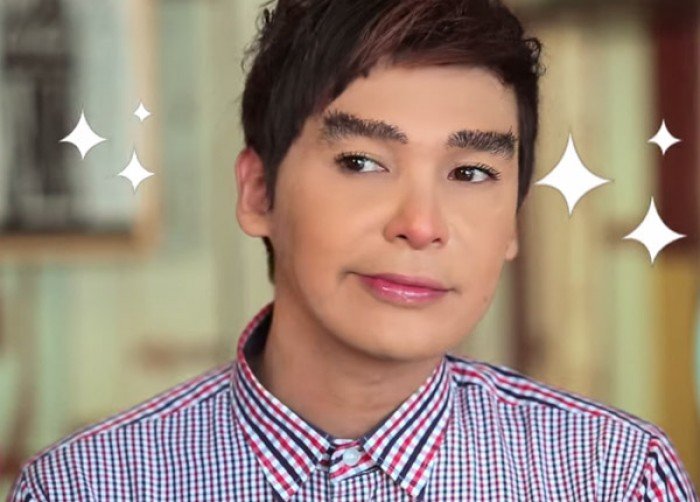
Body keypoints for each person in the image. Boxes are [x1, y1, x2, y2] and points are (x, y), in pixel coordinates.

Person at [9, 0, 698, 500]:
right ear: (258, 193)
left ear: (513, 221)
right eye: (362, 162)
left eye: (470, 173)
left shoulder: (613, 476)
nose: (421, 225)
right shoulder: (89, 485)